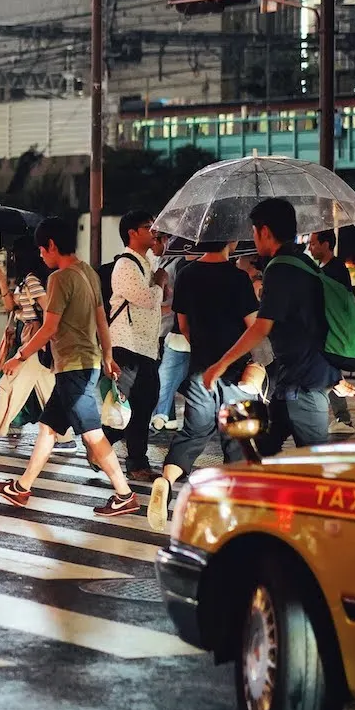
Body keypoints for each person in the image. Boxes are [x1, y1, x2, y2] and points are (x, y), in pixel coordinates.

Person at [0, 217, 141, 518]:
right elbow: (101, 318)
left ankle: (124, 495)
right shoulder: (89, 274)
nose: (41, 256)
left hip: (73, 367)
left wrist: (20, 355)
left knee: (92, 434)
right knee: (48, 428)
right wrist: (107, 355)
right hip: (86, 363)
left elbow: (50, 327)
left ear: (52, 245)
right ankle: (21, 488)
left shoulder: (59, 278)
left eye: (42, 250)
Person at [200, 198, 339, 455]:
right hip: (293, 380)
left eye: (253, 232)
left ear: (264, 231)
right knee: (260, 451)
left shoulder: (281, 268)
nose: (252, 238)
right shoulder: (301, 262)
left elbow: (261, 327)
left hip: (303, 382)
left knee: (315, 466)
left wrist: (221, 364)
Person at [148, 243, 261, 527]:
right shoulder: (238, 278)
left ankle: (166, 480)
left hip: (200, 368)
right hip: (234, 370)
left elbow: (183, 325)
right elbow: (253, 326)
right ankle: (234, 508)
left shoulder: (187, 274)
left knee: (194, 431)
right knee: (236, 438)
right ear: (230, 244)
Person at [0, 241, 54, 448]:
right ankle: (65, 439)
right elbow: (10, 306)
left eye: (15, 256)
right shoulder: (26, 281)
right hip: (30, 337)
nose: (12, 260)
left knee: (7, 383)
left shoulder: (32, 281)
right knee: (50, 392)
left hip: (35, 340)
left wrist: (38, 327)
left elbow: (49, 308)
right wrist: (2, 282)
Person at [103, 211, 166, 480]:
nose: (153, 231)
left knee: (143, 403)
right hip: (127, 346)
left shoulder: (144, 262)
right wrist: (160, 282)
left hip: (144, 346)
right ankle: (131, 460)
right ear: (132, 233)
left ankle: (103, 446)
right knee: (133, 406)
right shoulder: (126, 265)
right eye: (147, 227)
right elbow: (146, 299)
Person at [307, 228, 355, 435]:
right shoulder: (325, 268)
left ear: (326, 245)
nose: (310, 248)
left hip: (332, 332)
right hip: (328, 331)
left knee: (329, 373)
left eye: (313, 243)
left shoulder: (334, 269)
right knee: (328, 373)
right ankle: (341, 418)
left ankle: (343, 419)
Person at [151, 234, 192, 433]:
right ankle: (166, 416)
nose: (153, 244)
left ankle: (161, 414)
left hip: (171, 327)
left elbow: (178, 300)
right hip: (167, 328)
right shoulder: (163, 261)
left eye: (157, 239)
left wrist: (157, 310)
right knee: (170, 374)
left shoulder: (179, 264)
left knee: (166, 375)